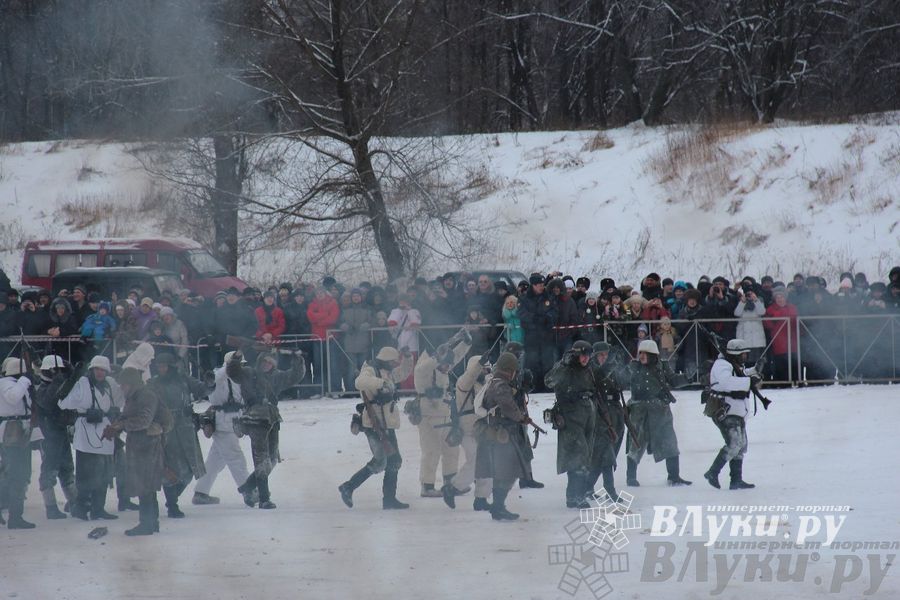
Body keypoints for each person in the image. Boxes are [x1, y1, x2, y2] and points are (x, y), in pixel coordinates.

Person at [338, 346, 414, 510]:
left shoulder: (387, 371)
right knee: (381, 462)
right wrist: (382, 383)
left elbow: (404, 372)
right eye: (394, 361)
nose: (395, 364)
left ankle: (389, 499)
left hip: (387, 423)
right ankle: (348, 487)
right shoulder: (370, 370)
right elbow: (360, 382)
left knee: (393, 461)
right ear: (387, 360)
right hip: (374, 424)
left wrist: (407, 358)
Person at [235, 350, 306, 509]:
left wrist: (297, 360)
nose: (267, 365)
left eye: (270, 362)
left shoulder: (277, 376)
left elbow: (296, 376)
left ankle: (248, 487)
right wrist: (236, 358)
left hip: (272, 419)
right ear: (259, 362)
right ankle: (264, 498)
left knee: (272, 459)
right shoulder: (249, 373)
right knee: (261, 460)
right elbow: (233, 372)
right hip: (255, 419)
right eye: (264, 362)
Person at [615, 340, 691, 487]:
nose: (642, 356)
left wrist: (687, 377)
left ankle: (674, 477)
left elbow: (673, 380)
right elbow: (619, 380)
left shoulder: (662, 366)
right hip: (638, 411)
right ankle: (631, 478)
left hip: (660, 410)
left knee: (669, 442)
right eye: (640, 353)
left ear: (653, 355)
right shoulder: (633, 366)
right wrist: (615, 367)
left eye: (645, 353)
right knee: (635, 445)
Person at [103, 367, 168, 536]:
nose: (121, 388)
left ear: (131, 384)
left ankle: (146, 524)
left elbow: (144, 421)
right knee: (146, 486)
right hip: (140, 445)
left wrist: (122, 425)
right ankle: (152, 523)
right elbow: (127, 416)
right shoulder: (134, 397)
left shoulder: (146, 396)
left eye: (123, 385)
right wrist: (115, 426)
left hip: (147, 446)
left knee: (145, 485)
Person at [58, 355, 124, 520]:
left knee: (104, 474)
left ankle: (98, 509)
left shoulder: (109, 384)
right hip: (86, 433)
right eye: (97, 369)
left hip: (105, 432)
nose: (100, 372)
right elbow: (64, 403)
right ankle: (81, 508)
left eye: (103, 369)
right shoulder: (82, 383)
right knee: (86, 474)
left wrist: (114, 412)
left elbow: (120, 399)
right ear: (92, 370)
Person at [412, 330, 472, 502]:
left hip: (444, 414)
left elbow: (456, 356)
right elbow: (424, 367)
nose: (448, 367)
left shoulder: (441, 365)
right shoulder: (424, 368)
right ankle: (427, 486)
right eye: (445, 364)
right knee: (431, 451)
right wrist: (438, 357)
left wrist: (465, 344)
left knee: (451, 448)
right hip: (428, 416)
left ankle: (450, 483)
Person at [146, 353, 208, 518]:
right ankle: (172, 505)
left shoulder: (183, 379)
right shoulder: (152, 384)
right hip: (166, 429)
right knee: (171, 469)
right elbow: (149, 406)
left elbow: (202, 389)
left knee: (189, 469)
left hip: (186, 428)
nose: (162, 369)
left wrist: (209, 381)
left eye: (165, 365)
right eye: (159, 366)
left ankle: (172, 498)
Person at [473, 351, 530, 521]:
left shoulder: (494, 382)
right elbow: (508, 406)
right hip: (501, 435)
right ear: (509, 370)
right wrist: (522, 417)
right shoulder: (501, 386)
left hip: (498, 434)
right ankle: (498, 507)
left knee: (503, 472)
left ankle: (499, 507)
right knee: (506, 472)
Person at [192, 351, 252, 506]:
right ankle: (249, 491)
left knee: (216, 460)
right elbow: (217, 377)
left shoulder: (238, 377)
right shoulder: (218, 374)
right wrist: (231, 365)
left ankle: (201, 492)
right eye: (239, 365)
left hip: (234, 420)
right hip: (222, 421)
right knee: (235, 457)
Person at [544, 340, 600, 508]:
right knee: (578, 455)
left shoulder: (588, 369)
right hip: (570, 416)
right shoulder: (565, 368)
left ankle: (575, 496)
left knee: (585, 455)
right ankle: (576, 495)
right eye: (582, 355)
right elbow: (549, 381)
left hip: (588, 413)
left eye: (588, 355)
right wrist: (563, 364)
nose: (585, 359)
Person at [703, 339, 759, 490]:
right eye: (743, 354)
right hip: (726, 410)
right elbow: (727, 382)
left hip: (737, 411)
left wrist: (753, 371)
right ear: (736, 354)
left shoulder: (732, 364)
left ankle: (736, 480)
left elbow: (740, 375)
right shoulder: (722, 365)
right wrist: (749, 381)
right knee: (734, 444)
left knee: (741, 446)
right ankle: (712, 473)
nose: (745, 357)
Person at [33, 355, 78, 520]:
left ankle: (74, 502)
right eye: (57, 370)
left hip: (60, 432)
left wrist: (71, 371)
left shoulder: (58, 385)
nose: (60, 373)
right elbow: (49, 402)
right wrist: (58, 380)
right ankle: (51, 507)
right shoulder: (42, 388)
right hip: (48, 436)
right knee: (49, 471)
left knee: (67, 468)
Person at [451, 354, 493, 510]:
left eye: (487, 368)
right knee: (476, 461)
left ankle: (481, 499)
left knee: (486, 463)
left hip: (483, 428)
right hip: (467, 430)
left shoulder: (485, 384)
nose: (485, 371)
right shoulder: (464, 382)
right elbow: (471, 375)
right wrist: (479, 365)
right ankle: (453, 487)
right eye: (482, 368)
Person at [0, 357, 36, 529]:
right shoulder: (8, 383)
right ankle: (15, 517)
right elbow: (13, 397)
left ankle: (14, 514)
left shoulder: (14, 382)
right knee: (15, 475)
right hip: (12, 432)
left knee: (17, 474)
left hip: (20, 430)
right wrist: (24, 380)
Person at [587, 342, 624, 501]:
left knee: (605, 456)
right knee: (606, 455)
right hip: (600, 416)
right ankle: (610, 490)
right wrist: (610, 364)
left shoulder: (613, 370)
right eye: (601, 355)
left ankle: (586, 487)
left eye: (606, 355)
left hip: (615, 413)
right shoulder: (592, 371)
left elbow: (623, 383)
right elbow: (601, 375)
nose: (604, 358)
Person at [519, 274, 558, 393]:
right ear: (533, 285)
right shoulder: (524, 299)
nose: (542, 287)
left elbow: (555, 312)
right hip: (532, 337)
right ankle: (532, 387)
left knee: (547, 362)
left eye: (543, 285)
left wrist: (548, 318)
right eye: (540, 285)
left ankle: (548, 387)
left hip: (546, 336)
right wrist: (534, 318)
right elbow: (521, 314)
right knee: (532, 362)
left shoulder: (549, 297)